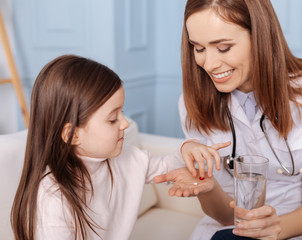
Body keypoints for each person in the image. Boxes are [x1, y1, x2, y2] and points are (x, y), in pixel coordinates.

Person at [155, 0, 302, 239]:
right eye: (199, 48)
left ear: (260, 36)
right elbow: (227, 216)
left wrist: (274, 229)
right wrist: (208, 189)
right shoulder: (192, 101)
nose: (210, 64)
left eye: (223, 47)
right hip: (233, 227)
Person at [10, 54, 229, 240]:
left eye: (121, 112)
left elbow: (165, 168)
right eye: (113, 119)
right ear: (72, 134)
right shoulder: (53, 199)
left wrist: (187, 149)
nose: (125, 123)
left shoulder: (124, 158)